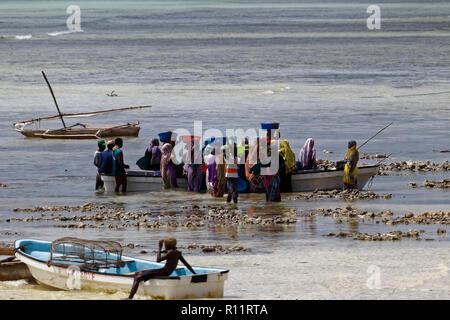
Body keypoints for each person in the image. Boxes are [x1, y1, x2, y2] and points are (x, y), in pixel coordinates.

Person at [127, 237, 196, 299]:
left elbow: (158, 260)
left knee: (137, 277)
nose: (164, 246)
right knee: (138, 273)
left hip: (163, 272)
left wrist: (159, 247)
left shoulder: (170, 252)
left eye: (165, 245)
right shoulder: (177, 252)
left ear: (167, 246)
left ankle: (130, 297)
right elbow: (186, 264)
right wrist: (194, 273)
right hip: (166, 271)